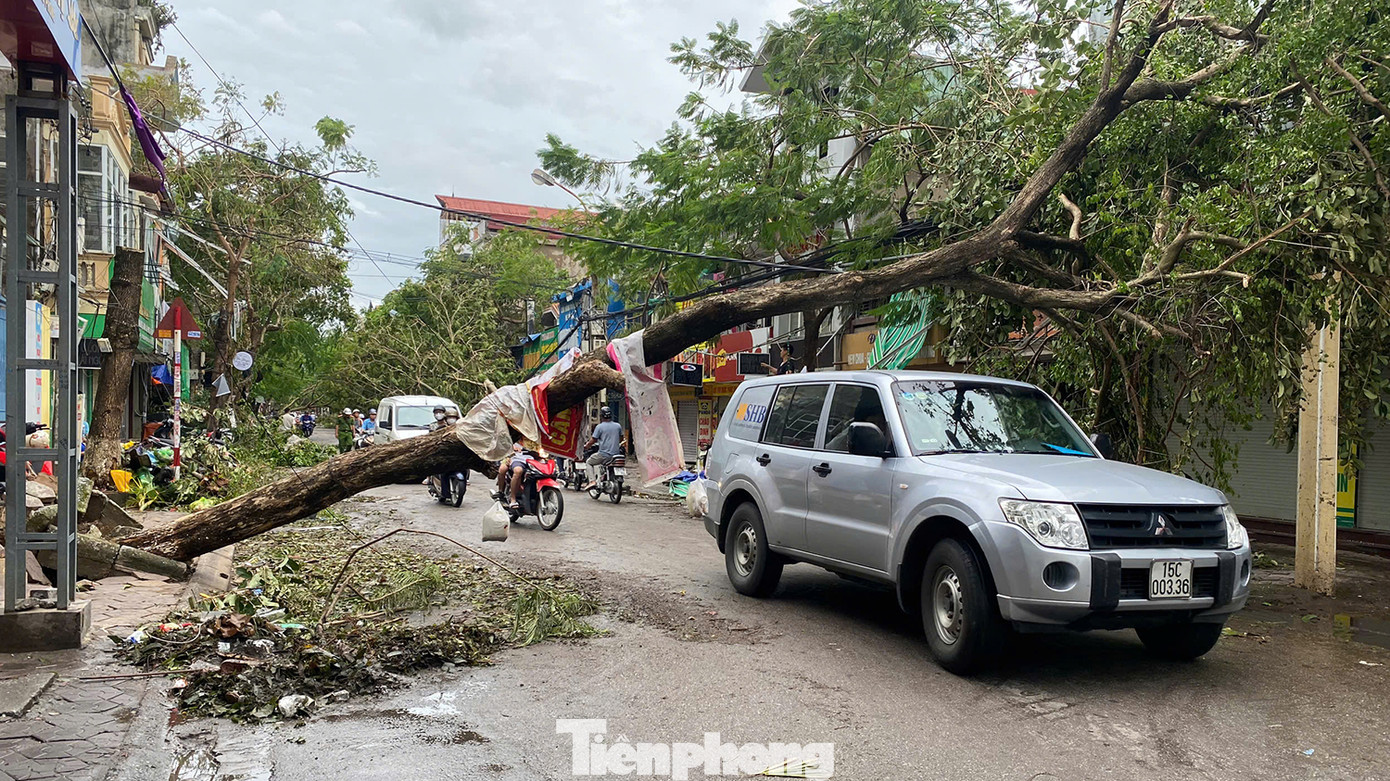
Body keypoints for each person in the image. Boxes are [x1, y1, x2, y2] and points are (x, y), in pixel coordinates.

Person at [583, 406, 625, 480]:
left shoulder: (599, 427)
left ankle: (592, 481)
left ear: (601, 416)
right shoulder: (618, 426)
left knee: (589, 462)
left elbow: (593, 440)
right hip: (616, 455)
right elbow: (620, 438)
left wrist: (587, 446)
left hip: (604, 455)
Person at [495, 441, 531, 509]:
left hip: (531, 458)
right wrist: (511, 448)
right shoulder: (514, 435)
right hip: (512, 457)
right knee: (503, 470)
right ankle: (506, 495)